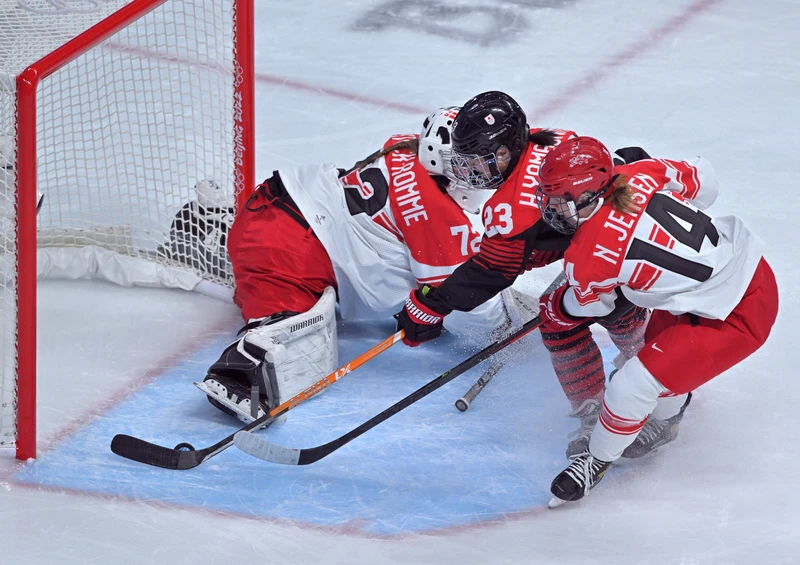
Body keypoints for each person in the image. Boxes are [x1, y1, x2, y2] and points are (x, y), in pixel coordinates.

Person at [185, 107, 539, 425]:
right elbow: (469, 302)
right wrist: (512, 330)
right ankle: (241, 374)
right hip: (291, 250)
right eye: (467, 163)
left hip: (278, 203)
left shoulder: (405, 148)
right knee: (295, 340)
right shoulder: (439, 217)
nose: (475, 172)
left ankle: (211, 225)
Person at [394, 91, 651, 456]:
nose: (471, 174)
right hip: (630, 226)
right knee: (599, 301)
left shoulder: (511, 208)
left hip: (608, 250)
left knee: (560, 316)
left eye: (479, 162)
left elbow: (493, 271)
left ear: (504, 152)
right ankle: (651, 370)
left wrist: (431, 304)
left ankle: (609, 405)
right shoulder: (546, 139)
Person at [531, 136, 778, 507]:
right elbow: (705, 181)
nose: (551, 209)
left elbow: (591, 305)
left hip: (735, 314)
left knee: (631, 386)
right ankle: (666, 422)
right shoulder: (639, 173)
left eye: (560, 200)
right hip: (743, 275)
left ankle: (596, 461)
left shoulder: (586, 257)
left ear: (588, 194)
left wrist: (556, 306)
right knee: (654, 369)